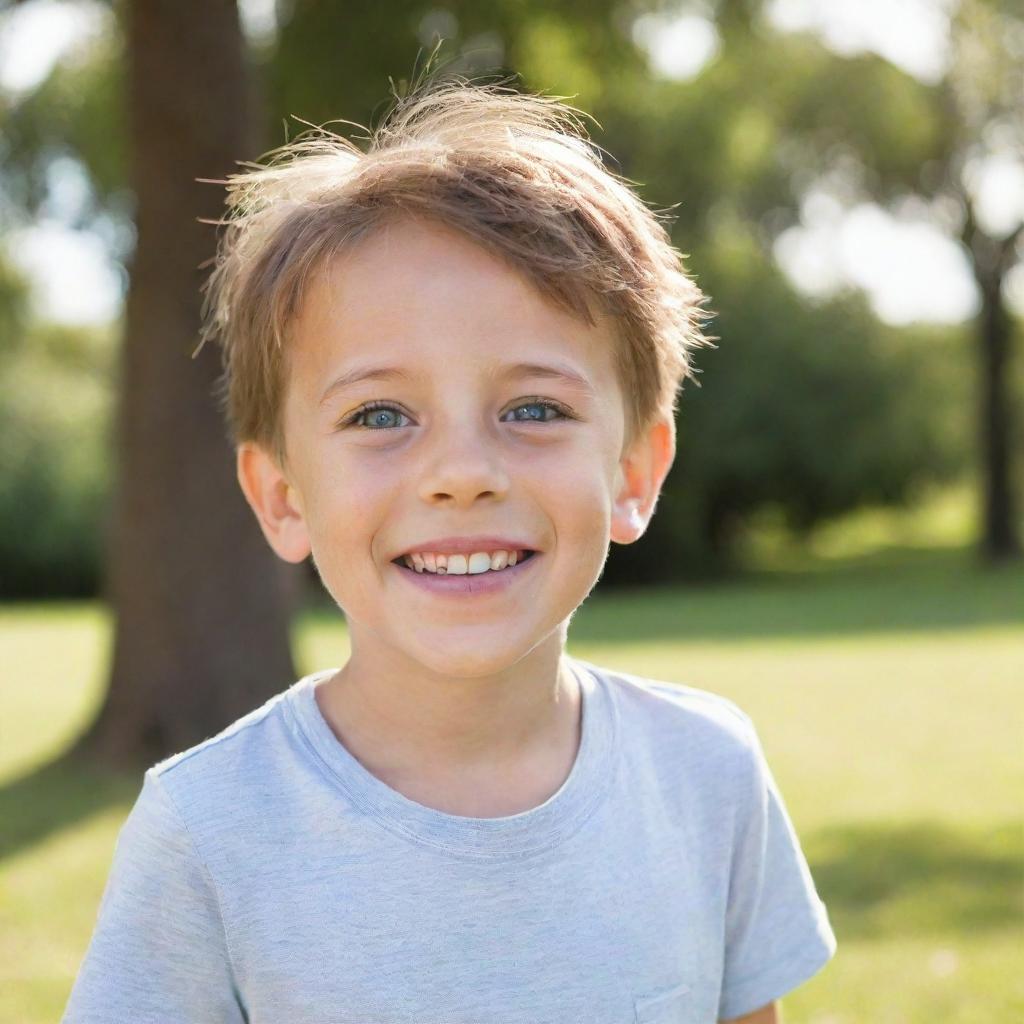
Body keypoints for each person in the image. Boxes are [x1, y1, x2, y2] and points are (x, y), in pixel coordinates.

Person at [62, 74, 836, 1024]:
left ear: (635, 469)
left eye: (534, 408)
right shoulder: (209, 830)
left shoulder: (707, 773)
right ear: (282, 496)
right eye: (380, 414)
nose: (462, 472)